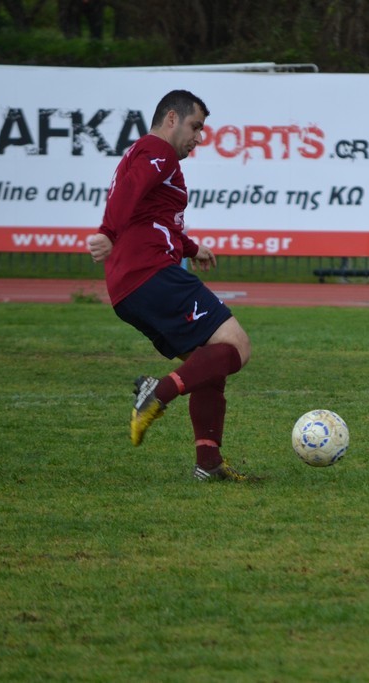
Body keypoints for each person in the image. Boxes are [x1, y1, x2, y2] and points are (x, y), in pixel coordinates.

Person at [87, 89, 255, 483]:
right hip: (151, 274)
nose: (199, 137)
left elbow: (150, 213)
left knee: (208, 364)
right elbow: (131, 189)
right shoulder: (158, 151)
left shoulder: (144, 152)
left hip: (130, 286)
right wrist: (107, 231)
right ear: (171, 119)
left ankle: (208, 464)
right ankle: (157, 393)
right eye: (195, 127)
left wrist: (191, 248)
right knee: (236, 347)